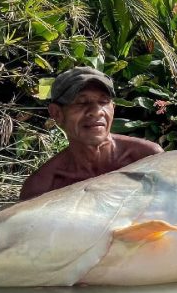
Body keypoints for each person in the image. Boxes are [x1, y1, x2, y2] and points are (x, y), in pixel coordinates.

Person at [19, 67, 163, 200]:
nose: (96, 111)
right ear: (56, 113)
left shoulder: (147, 158)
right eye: (81, 102)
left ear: (113, 108)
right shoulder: (42, 187)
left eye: (104, 101)